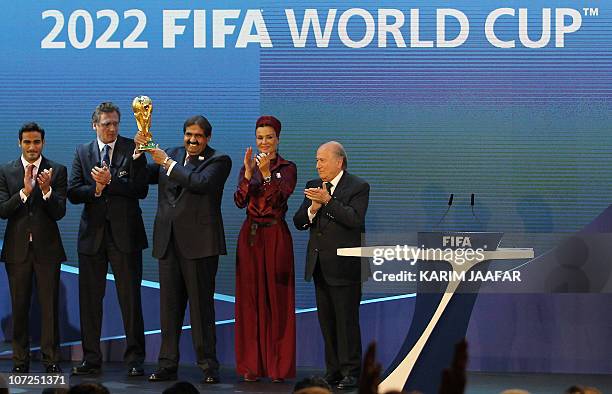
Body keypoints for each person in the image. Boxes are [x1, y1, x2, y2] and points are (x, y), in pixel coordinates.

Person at [135, 115, 231, 384]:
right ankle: (167, 364)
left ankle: (208, 366)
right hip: (168, 242)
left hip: (200, 245)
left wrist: (165, 161)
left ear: (208, 138)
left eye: (198, 136)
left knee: (201, 310)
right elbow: (144, 178)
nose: (192, 140)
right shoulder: (173, 153)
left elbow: (201, 184)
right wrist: (138, 152)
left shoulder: (219, 160)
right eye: (189, 134)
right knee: (169, 308)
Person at [67, 102, 148, 377]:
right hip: (92, 237)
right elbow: (74, 192)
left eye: (115, 123)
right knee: (90, 301)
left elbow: (141, 189)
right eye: (106, 124)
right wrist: (98, 189)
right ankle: (91, 359)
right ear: (95, 125)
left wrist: (110, 182)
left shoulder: (133, 148)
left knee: (131, 301)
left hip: (126, 237)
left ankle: (135, 359)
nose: (112, 128)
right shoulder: (82, 151)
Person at [293, 141, 369, 390]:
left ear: (339, 162)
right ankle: (333, 370)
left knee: (346, 321)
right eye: (316, 160)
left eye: (322, 160)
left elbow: (354, 220)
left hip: (346, 268)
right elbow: (298, 221)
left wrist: (328, 201)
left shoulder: (358, 187)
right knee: (327, 322)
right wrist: (313, 209)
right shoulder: (312, 186)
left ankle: (352, 372)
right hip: (320, 266)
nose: (317, 165)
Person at [0, 122, 67, 373]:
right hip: (17, 252)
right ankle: (20, 361)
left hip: (47, 251)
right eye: (27, 142)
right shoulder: (5, 171)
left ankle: (51, 360)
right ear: (19, 143)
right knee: (19, 307)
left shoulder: (56, 170)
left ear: (43, 143)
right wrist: (25, 193)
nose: (31, 147)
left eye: (36, 142)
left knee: (49, 308)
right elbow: (2, 210)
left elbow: (59, 212)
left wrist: (47, 190)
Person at [234, 116, 297, 382]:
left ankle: (278, 368)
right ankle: (251, 366)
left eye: (269, 137)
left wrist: (268, 174)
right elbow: (239, 201)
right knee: (250, 302)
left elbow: (280, 197)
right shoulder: (249, 166)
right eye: (260, 137)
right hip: (250, 238)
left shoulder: (288, 167)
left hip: (275, 236)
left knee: (277, 301)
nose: (264, 142)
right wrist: (248, 174)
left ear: (278, 139)